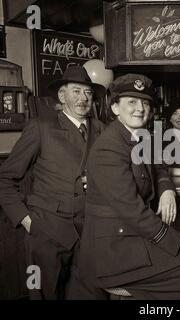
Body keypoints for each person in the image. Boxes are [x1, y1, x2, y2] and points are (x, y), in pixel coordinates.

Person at [78, 74, 180, 299]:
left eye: (145, 102)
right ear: (115, 107)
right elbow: (130, 209)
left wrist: (166, 190)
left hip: (132, 235)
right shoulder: (110, 147)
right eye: (132, 102)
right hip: (114, 249)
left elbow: (160, 166)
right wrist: (177, 241)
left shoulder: (141, 137)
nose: (140, 109)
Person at [0, 66, 106, 299]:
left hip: (90, 233)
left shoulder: (102, 130)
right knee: (40, 294)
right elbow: (4, 179)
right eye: (76, 91)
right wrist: (28, 222)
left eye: (88, 93)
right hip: (46, 233)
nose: (83, 98)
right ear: (62, 95)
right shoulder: (41, 127)